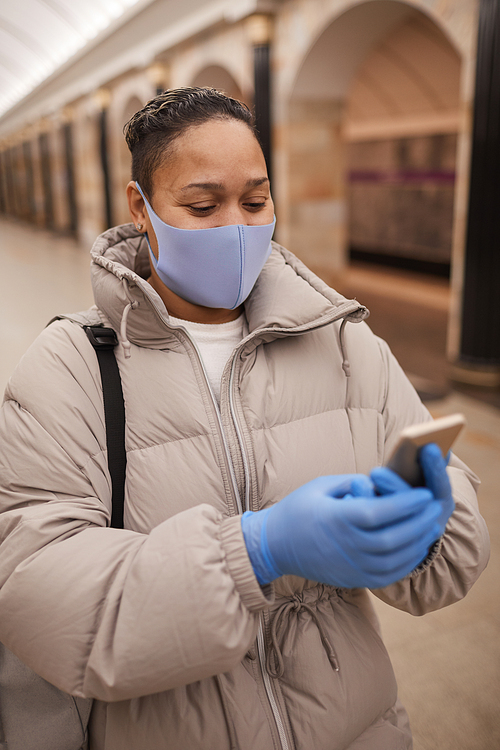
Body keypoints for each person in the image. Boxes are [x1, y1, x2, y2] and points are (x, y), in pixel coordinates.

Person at [0, 87, 489, 750]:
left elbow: (453, 551)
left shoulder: (342, 341)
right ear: (140, 209)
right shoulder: (69, 368)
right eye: (203, 205)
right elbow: (39, 599)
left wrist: (421, 522)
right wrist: (256, 553)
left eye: (255, 201)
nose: (236, 227)